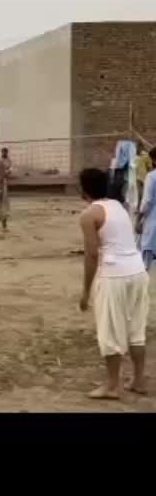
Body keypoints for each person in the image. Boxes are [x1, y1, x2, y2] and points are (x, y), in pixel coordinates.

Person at [78, 167, 149, 399]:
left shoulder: (89, 215)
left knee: (110, 332)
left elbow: (92, 254)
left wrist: (86, 291)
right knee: (136, 331)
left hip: (114, 275)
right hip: (137, 271)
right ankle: (138, 380)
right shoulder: (118, 206)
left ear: (84, 189)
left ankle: (112, 386)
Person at [136, 148, 156, 272]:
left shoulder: (152, 176)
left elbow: (147, 201)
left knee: (145, 263)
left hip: (153, 223)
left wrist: (139, 219)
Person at [135, 142, 153, 208]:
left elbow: (150, 167)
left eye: (137, 147)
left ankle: (143, 207)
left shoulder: (146, 156)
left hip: (144, 177)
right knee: (139, 194)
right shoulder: (136, 156)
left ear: (141, 147)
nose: (137, 148)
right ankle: (139, 207)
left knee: (143, 194)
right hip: (138, 178)